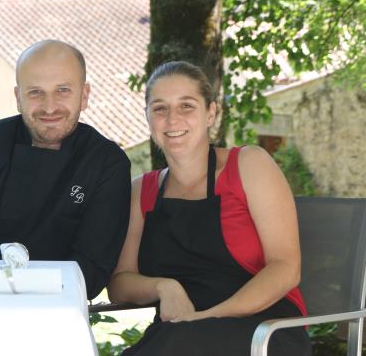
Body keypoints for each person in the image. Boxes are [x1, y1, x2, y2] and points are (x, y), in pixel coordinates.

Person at [107, 61, 312, 355]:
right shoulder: (142, 190)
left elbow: (286, 268)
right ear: (148, 118)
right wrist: (165, 287)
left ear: (211, 113)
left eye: (187, 106)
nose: (172, 119)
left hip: (264, 331)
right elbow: (120, 283)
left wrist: (205, 317)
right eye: (160, 108)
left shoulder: (249, 165)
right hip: (180, 334)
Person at [0, 40, 131, 299]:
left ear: (85, 95)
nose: (49, 106)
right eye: (35, 92)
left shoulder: (107, 163)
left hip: (58, 315)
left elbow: (90, 272)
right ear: (18, 98)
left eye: (63, 90)